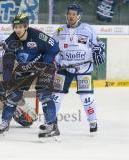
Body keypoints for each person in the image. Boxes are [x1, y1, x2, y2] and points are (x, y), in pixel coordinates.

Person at [41, 3, 105, 134]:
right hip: (64, 67)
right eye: (69, 14)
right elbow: (53, 49)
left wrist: (99, 52)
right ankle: (50, 121)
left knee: (86, 97)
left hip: (84, 68)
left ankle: (93, 121)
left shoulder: (88, 29)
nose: (71, 16)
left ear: (79, 16)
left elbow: (98, 46)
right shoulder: (59, 30)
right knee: (56, 96)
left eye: (74, 14)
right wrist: (56, 61)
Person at [0, 13, 60, 139]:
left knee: (44, 94)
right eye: (15, 27)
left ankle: (51, 125)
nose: (17, 30)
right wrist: (7, 81)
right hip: (26, 68)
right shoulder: (11, 40)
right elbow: (8, 60)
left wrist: (45, 62)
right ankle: (5, 122)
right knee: (13, 94)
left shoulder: (37, 35)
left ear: (26, 26)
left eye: (20, 27)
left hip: (45, 66)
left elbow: (54, 47)